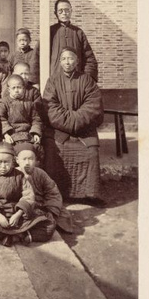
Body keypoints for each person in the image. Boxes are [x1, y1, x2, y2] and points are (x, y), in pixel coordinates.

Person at [42, 47, 105, 206]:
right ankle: (57, 193)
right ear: (60, 61)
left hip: (84, 130)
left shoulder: (87, 80)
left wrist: (75, 121)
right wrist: (71, 122)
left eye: (71, 58)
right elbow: (50, 107)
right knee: (53, 149)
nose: (67, 62)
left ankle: (90, 194)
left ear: (77, 61)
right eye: (64, 59)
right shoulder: (53, 81)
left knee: (91, 152)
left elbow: (93, 106)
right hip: (60, 130)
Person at [0, 143, 50, 246]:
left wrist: (18, 214)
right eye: (0, 162)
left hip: (17, 213)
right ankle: (19, 235)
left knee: (48, 225)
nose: (3, 166)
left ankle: (9, 235)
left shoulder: (20, 176)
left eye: (7, 162)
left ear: (13, 161)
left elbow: (28, 196)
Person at [15, 142, 73, 240]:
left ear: (36, 160)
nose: (27, 162)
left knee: (62, 216)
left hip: (42, 205)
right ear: (17, 160)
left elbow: (53, 192)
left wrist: (51, 210)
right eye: (24, 159)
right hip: (22, 206)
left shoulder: (41, 173)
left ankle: (30, 233)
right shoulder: (14, 174)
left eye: (31, 159)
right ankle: (24, 230)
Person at [50, 0, 98, 81]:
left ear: (71, 11)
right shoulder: (50, 32)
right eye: (60, 11)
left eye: (67, 10)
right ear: (55, 13)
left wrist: (87, 79)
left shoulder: (78, 32)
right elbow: (37, 57)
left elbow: (89, 58)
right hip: (55, 80)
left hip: (77, 80)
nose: (64, 13)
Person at [0, 74, 43, 156]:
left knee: (37, 151)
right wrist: (6, 134)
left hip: (28, 134)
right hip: (12, 135)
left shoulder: (29, 103)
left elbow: (36, 119)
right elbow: (2, 119)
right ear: (9, 89)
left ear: (24, 89)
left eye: (19, 87)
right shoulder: (4, 103)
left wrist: (36, 133)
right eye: (13, 88)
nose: (16, 90)